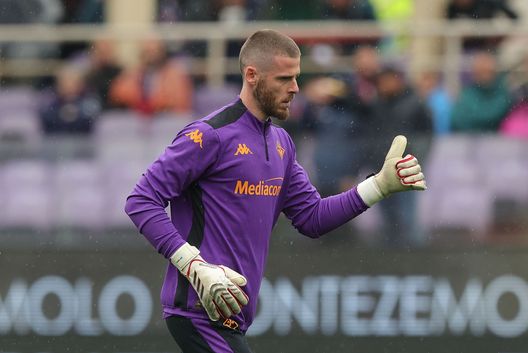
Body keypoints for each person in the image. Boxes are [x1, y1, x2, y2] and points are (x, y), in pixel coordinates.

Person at [125, 29, 427, 353]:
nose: (295, 88)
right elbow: (141, 200)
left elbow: (312, 218)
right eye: (284, 78)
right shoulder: (209, 135)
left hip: (231, 317)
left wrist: (378, 186)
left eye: (296, 78)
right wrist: (193, 264)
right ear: (252, 75)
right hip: (199, 310)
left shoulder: (281, 143)